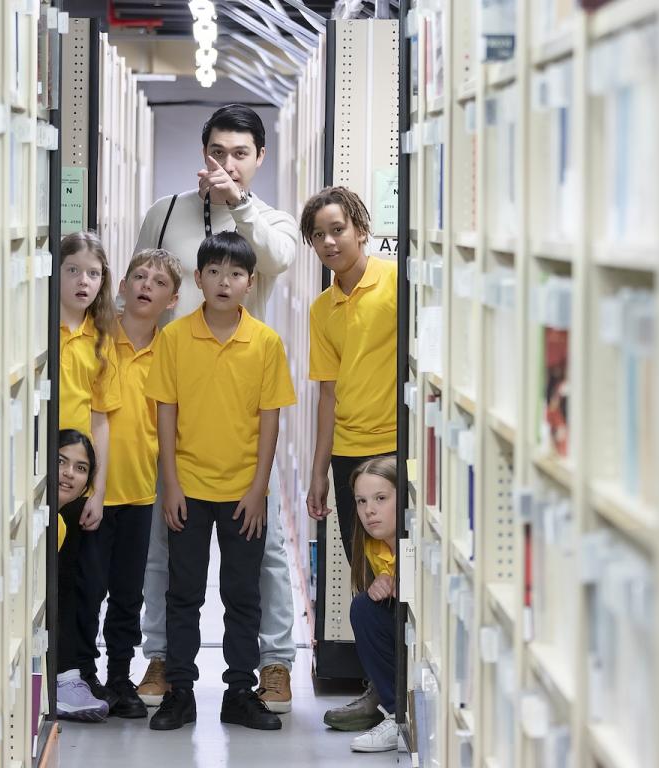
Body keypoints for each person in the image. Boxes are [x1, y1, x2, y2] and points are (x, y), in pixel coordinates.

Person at [134, 103, 300, 714]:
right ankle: (160, 656)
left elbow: (277, 259)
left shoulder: (271, 219)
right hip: (172, 394)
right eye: (217, 152)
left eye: (240, 153)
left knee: (265, 550)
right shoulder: (167, 212)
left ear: (259, 158)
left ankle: (275, 664)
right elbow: (142, 282)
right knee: (164, 543)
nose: (226, 163)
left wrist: (239, 202)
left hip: (241, 399)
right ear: (201, 153)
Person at [301, 187, 397, 729]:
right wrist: (319, 469)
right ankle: (376, 688)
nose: (329, 241)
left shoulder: (395, 283)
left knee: (404, 568)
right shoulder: (322, 308)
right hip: (347, 455)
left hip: (395, 448)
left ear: (360, 228)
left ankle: (403, 690)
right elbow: (327, 394)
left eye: (337, 229)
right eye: (319, 234)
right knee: (365, 573)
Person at [75, 249, 182, 720]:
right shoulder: (98, 340)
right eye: (138, 277)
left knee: (127, 593)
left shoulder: (172, 352)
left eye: (158, 282)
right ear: (120, 287)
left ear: (172, 299)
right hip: (91, 493)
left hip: (139, 492)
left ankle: (121, 678)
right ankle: (82, 674)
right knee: (86, 588)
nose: (145, 286)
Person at [56, 232, 121, 722]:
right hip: (42, 472)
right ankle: (56, 675)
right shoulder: (37, 328)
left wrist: (97, 489)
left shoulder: (101, 339)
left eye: (94, 273)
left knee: (82, 583)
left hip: (79, 480)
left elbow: (102, 417)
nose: (84, 281)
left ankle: (73, 673)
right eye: (74, 270)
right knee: (48, 580)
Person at [343, 457, 402, 753]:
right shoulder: (372, 543)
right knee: (364, 608)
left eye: (381, 498)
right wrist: (383, 579)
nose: (369, 510)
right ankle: (398, 716)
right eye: (361, 501)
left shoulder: (419, 538)